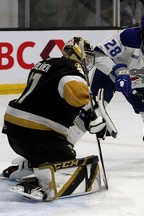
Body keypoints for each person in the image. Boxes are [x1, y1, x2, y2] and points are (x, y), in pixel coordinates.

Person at [1, 37, 116, 201]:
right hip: (34, 134)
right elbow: (71, 85)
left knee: (50, 152)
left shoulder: (45, 63)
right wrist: (92, 115)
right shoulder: (71, 70)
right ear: (76, 55)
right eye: (87, 57)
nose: (89, 62)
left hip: (14, 129)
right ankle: (38, 183)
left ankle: (21, 167)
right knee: (66, 159)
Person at [91, 11, 144, 159]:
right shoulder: (128, 37)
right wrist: (117, 71)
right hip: (108, 76)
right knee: (92, 112)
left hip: (137, 83)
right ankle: (63, 146)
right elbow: (98, 55)